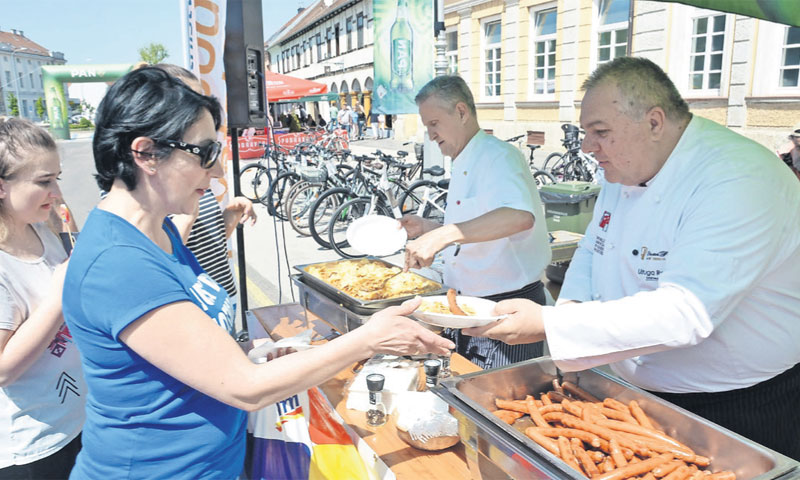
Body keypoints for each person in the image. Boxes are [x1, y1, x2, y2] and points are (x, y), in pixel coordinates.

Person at [62, 67, 453, 478]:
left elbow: (188, 355)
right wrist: (369, 338)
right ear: (145, 153)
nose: (216, 172)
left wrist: (250, 356)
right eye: (205, 153)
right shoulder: (118, 262)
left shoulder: (156, 231)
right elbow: (243, 387)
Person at [467, 57, 800, 459]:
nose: (589, 147)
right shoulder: (626, 167)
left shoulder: (740, 179)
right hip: (640, 397)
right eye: (586, 133)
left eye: (600, 132)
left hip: (739, 404)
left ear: (654, 122)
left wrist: (550, 323)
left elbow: (685, 312)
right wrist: (570, 312)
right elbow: (594, 248)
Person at [401, 75, 551, 370]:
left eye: (434, 124)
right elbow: (476, 229)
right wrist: (427, 228)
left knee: (500, 405)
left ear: (460, 111)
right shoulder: (463, 160)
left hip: (506, 310)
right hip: (467, 306)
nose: (430, 135)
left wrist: (442, 235)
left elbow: (519, 217)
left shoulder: (499, 156)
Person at [0, 118, 85, 477]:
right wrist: (59, 297)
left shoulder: (42, 229)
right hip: (32, 448)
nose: (55, 191)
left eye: (57, 178)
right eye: (43, 181)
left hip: (75, 421)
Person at [152, 63, 257, 314]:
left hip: (220, 293)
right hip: (195, 306)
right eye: (192, 99)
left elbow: (209, 244)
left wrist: (230, 217)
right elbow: (159, 259)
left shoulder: (193, 171)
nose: (203, 108)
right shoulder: (150, 188)